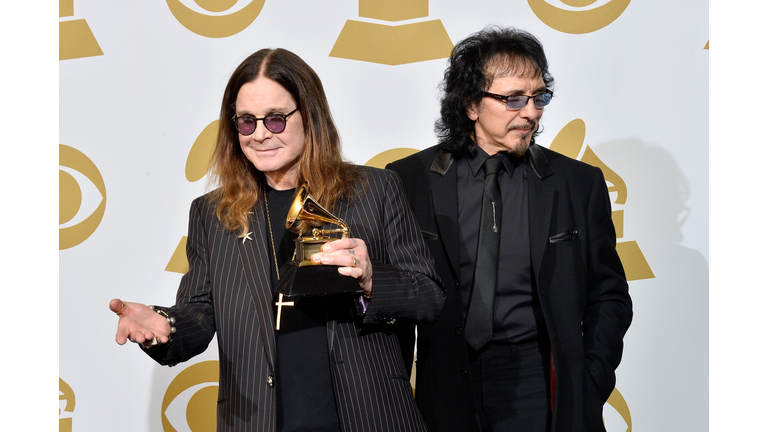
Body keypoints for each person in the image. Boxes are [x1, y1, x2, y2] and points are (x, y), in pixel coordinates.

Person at [109, 48, 445, 432]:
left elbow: (429, 296)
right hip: (258, 419)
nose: (261, 134)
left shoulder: (375, 190)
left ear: (310, 116)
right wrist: (163, 324)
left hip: (368, 415)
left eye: (276, 119)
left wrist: (371, 278)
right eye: (247, 122)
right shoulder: (213, 213)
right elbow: (200, 313)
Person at [387, 27, 633, 432]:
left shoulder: (577, 183)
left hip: (542, 383)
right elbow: (395, 300)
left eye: (540, 97)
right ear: (470, 104)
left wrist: (589, 379)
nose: (532, 111)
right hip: (445, 383)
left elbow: (609, 295)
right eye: (513, 99)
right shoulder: (409, 180)